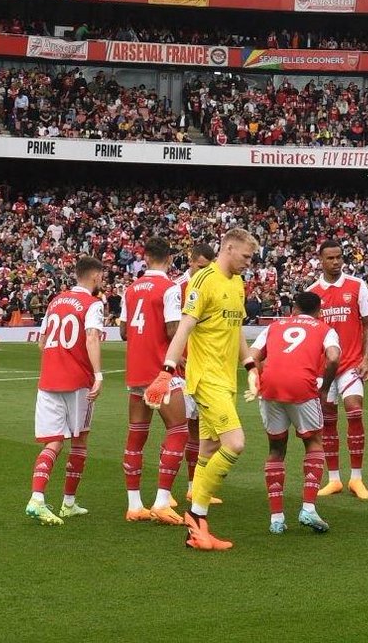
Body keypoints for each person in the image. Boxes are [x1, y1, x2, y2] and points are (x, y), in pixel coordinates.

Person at [145, 228, 260, 551]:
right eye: (246, 257)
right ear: (229, 248)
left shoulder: (237, 284)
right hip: (206, 379)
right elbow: (184, 327)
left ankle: (197, 528)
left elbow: (236, 329)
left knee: (208, 451)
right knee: (235, 443)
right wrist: (167, 370)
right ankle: (196, 522)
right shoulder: (203, 281)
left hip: (226, 379)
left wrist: (250, 366)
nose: (248, 264)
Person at [249, 290, 341, 534]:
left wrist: (260, 378)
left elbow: (252, 356)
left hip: (270, 388)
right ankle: (308, 509)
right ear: (319, 312)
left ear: (294, 310)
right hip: (302, 388)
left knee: (276, 449)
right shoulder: (324, 329)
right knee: (314, 443)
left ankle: (276, 519)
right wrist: (326, 389)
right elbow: (333, 358)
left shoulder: (275, 326)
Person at [25, 256, 106, 527]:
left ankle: (37, 498)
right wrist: (98, 375)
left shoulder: (55, 301)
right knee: (80, 440)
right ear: (94, 276)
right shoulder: (93, 304)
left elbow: (42, 342)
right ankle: (68, 503)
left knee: (54, 441)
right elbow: (92, 336)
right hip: (77, 382)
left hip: (49, 379)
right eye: (102, 276)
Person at [119, 237, 189, 526]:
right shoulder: (170, 288)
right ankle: (162, 500)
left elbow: (124, 331)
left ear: (145, 258)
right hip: (161, 372)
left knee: (136, 436)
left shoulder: (131, 289)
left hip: (136, 372)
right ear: (170, 259)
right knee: (179, 430)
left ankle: (134, 505)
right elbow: (173, 329)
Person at [309, 239, 368, 500]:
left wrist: (367, 359)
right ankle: (334, 478)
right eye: (330, 258)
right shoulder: (312, 291)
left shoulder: (357, 286)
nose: (335, 262)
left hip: (351, 363)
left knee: (355, 410)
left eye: (339, 257)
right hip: (323, 369)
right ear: (321, 260)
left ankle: (356, 478)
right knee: (328, 421)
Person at [174, 242, 219, 501]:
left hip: (205, 366)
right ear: (190, 261)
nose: (203, 271)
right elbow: (169, 326)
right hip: (183, 369)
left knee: (201, 429)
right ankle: (173, 489)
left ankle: (195, 487)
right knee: (182, 428)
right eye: (200, 266)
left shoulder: (210, 284)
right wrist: (176, 355)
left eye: (208, 267)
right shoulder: (178, 288)